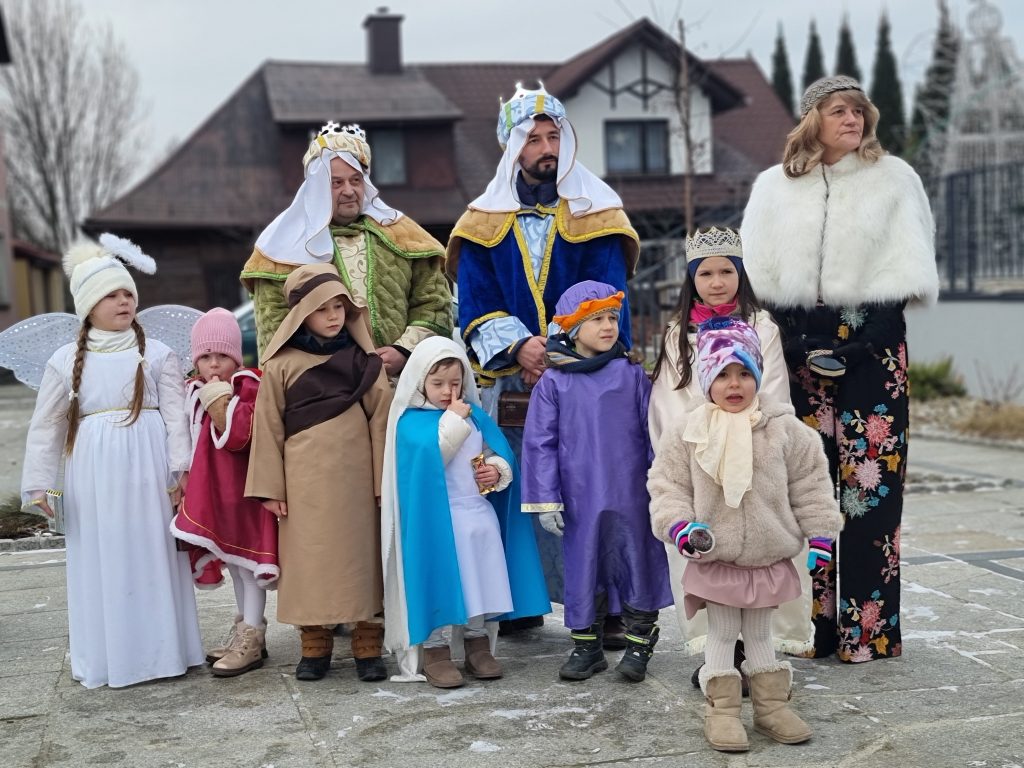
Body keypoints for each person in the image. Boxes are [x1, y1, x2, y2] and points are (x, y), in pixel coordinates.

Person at [740, 75, 940, 662]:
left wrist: (857, 347)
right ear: (812, 121)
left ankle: (867, 634)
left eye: (858, 110)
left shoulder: (895, 179)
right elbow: (758, 279)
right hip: (796, 346)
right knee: (805, 490)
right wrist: (793, 343)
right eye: (838, 111)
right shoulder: (772, 188)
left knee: (870, 494)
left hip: (873, 349)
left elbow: (905, 277)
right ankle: (812, 630)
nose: (852, 119)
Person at [448, 83, 640, 640]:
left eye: (554, 136)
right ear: (512, 147)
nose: (547, 148)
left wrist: (556, 347)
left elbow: (609, 289)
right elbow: (475, 297)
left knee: (592, 488)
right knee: (515, 488)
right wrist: (520, 348)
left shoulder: (597, 213)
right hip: (511, 383)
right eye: (533, 139)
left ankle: (606, 605)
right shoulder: (482, 222)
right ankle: (522, 601)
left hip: (585, 376)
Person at [648, 317, 842, 752]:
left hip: (767, 554)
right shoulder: (688, 431)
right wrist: (679, 525)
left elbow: (811, 485)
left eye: (743, 373)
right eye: (722, 375)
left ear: (757, 375)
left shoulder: (786, 430)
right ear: (706, 380)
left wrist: (821, 536)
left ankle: (771, 708)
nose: (733, 384)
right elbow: (668, 486)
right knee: (721, 632)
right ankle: (723, 713)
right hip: (716, 555)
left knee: (759, 633)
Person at [21, 235, 204, 689]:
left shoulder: (157, 353)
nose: (123, 301)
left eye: (128, 293)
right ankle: (112, 656)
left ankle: (164, 652)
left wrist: (180, 471)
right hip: (93, 474)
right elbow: (46, 426)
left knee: (152, 553)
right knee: (105, 556)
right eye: (111, 295)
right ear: (87, 305)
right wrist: (39, 484)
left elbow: (177, 419)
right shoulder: (65, 360)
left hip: (150, 470)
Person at [648, 227, 809, 687]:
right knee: (710, 554)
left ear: (741, 274)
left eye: (726, 271)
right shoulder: (680, 334)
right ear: (691, 279)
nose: (717, 282)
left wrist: (751, 439)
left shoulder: (762, 327)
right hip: (701, 458)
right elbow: (668, 404)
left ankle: (758, 650)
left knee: (760, 549)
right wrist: (699, 446)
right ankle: (720, 652)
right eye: (706, 274)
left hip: (756, 455)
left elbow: (773, 391)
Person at [245, 263, 393, 682]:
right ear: (301, 314)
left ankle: (368, 644)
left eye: (339, 307)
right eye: (321, 309)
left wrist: (382, 481)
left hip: (357, 482)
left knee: (362, 560)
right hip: (303, 484)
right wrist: (271, 488)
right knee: (310, 560)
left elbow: (381, 420)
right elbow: (267, 427)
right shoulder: (281, 365)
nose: (332, 316)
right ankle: (314, 644)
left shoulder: (363, 361)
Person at [521, 281, 672, 682]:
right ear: (572, 328)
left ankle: (639, 646)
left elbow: (653, 433)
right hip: (579, 498)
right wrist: (546, 499)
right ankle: (587, 648)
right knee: (584, 567)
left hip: (632, 495)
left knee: (637, 563)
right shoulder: (554, 382)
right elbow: (540, 443)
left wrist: (662, 487)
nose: (608, 327)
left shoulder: (631, 375)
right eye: (597, 319)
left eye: (612, 318)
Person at [380, 337, 551, 689]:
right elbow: (433, 457)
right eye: (438, 383)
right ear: (420, 382)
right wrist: (454, 421)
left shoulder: (475, 417)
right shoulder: (411, 423)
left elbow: (494, 453)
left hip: (477, 516)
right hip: (436, 521)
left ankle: (477, 642)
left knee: (481, 582)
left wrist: (496, 470)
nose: (448, 391)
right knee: (437, 581)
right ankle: (435, 649)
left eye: (455, 383)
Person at [241, 122, 452, 375]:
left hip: (403, 381)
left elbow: (434, 304)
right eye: (337, 183)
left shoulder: (403, 236)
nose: (349, 191)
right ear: (317, 188)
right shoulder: (281, 247)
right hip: (322, 388)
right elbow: (274, 333)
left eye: (356, 180)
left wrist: (404, 350)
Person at [170, 308, 279, 677]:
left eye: (222, 355)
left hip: (243, 491)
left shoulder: (248, 386)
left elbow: (242, 435)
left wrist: (221, 400)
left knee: (247, 564)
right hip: (214, 493)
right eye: (205, 356)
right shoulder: (192, 391)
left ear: (236, 356)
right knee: (233, 564)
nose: (213, 364)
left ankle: (252, 637)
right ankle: (245, 628)